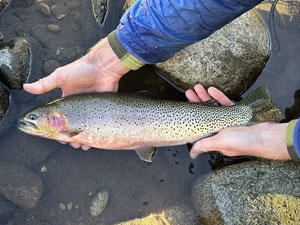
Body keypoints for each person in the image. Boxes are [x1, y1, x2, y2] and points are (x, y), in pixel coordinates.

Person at [23, 0, 299, 161]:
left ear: (56, 119)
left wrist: (281, 141)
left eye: (37, 118)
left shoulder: (70, 119)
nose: (33, 121)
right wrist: (106, 59)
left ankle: (247, 113)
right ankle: (248, 113)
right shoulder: (68, 119)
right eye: (36, 119)